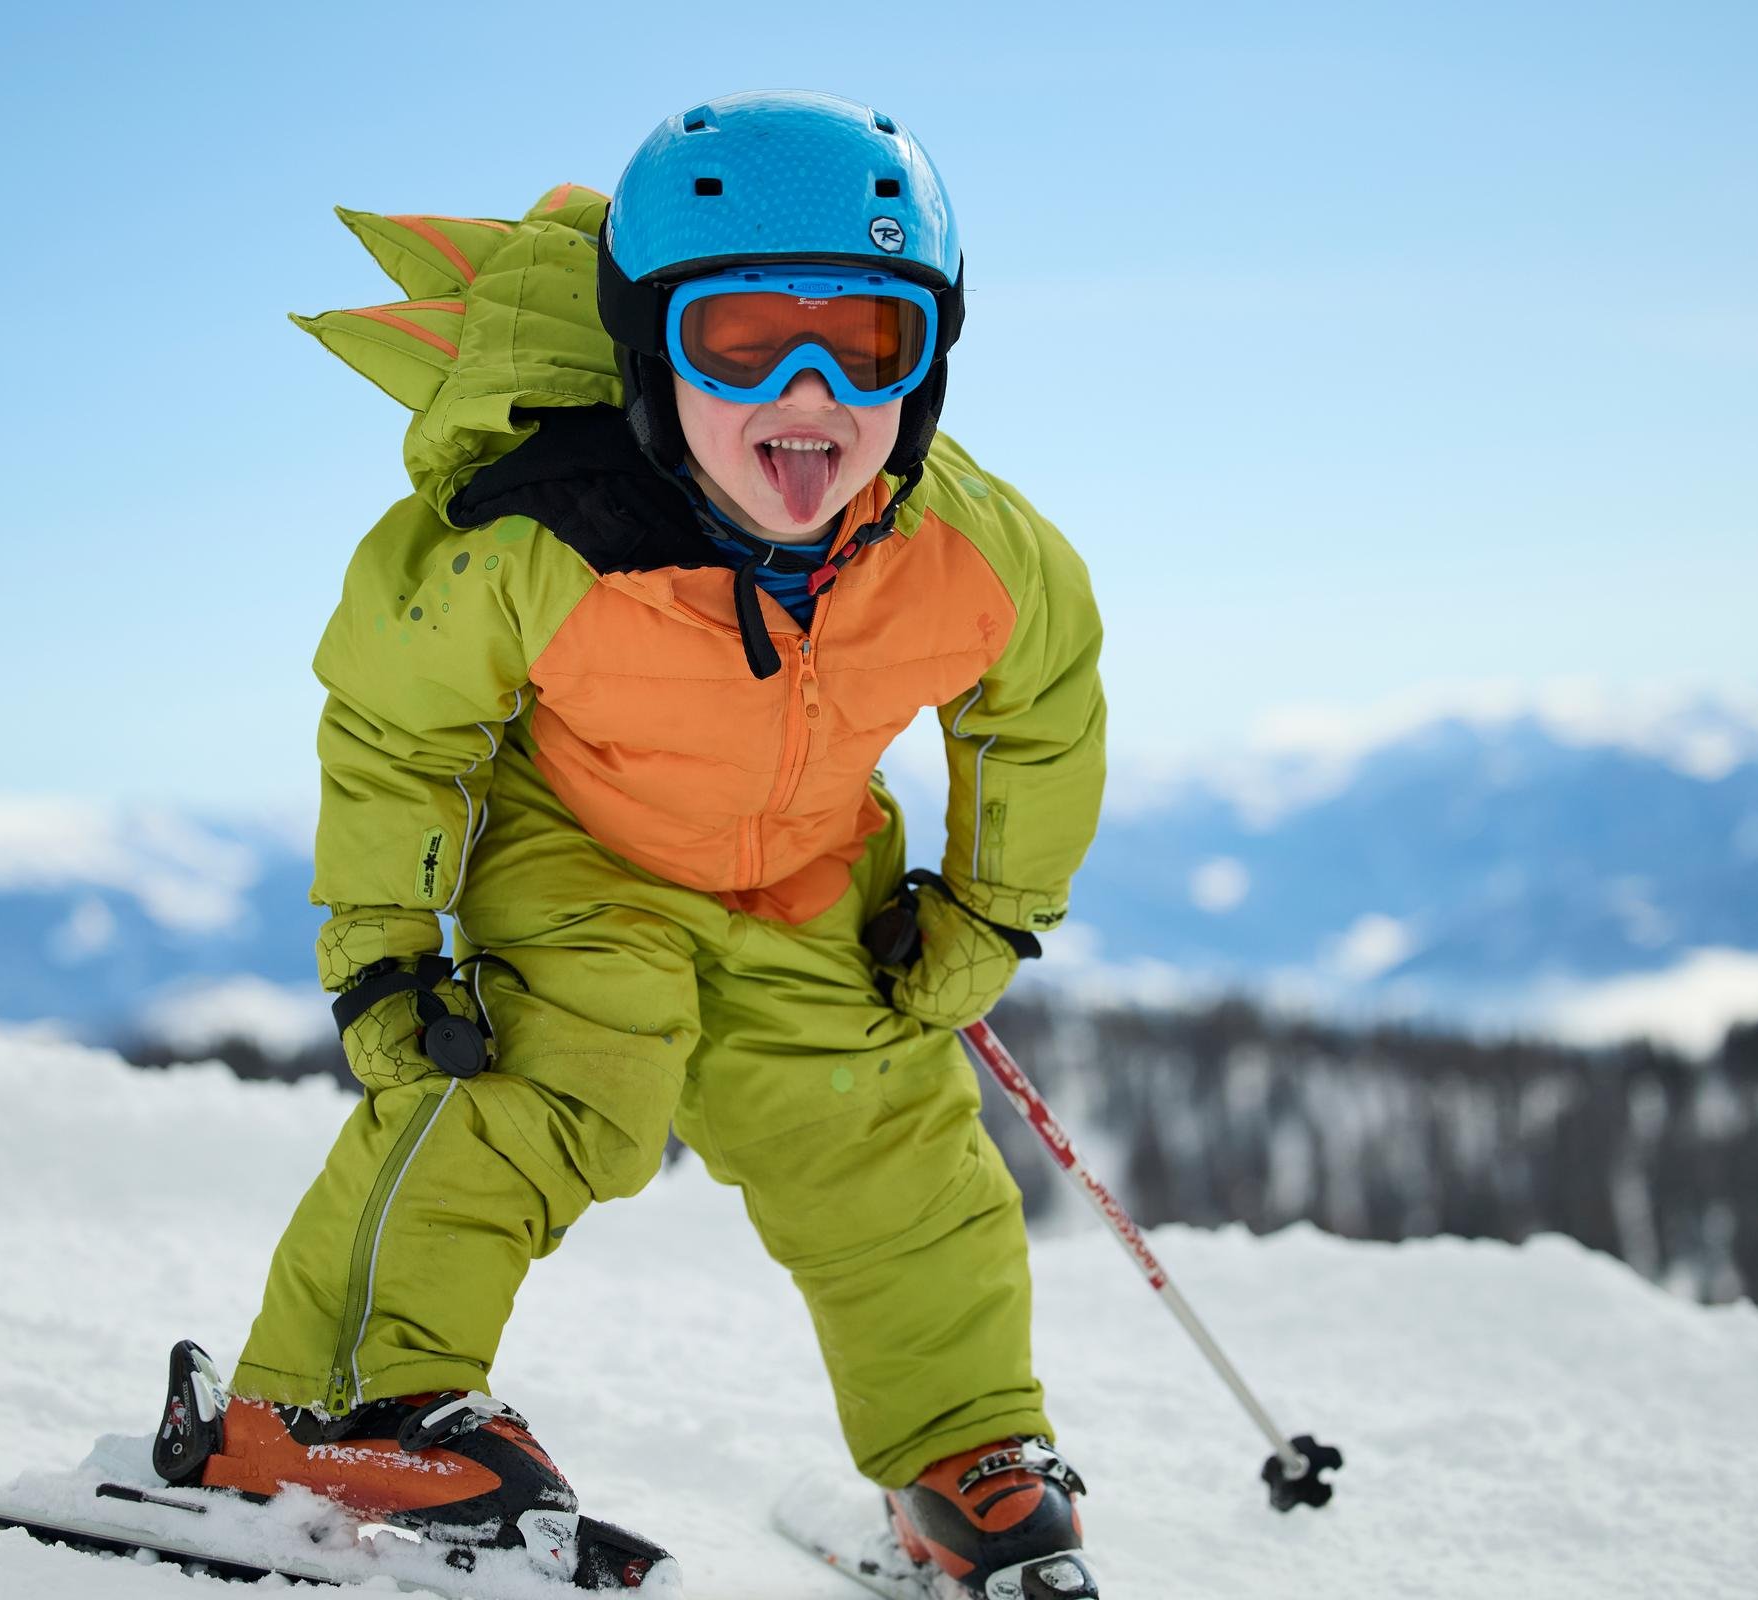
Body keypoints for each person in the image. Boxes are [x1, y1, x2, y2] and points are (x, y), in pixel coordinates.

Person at [173, 90, 1108, 1596]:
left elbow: (1038, 713)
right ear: (647, 345)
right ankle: (328, 1413)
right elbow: (399, 729)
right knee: (543, 1083)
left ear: (928, 361)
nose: (807, 393)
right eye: (740, 340)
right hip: (581, 850)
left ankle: (959, 1457)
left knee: (894, 1150)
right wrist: (390, 943)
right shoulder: (542, 536)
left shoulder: (971, 550)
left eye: (867, 342)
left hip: (812, 877)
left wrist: (986, 914)